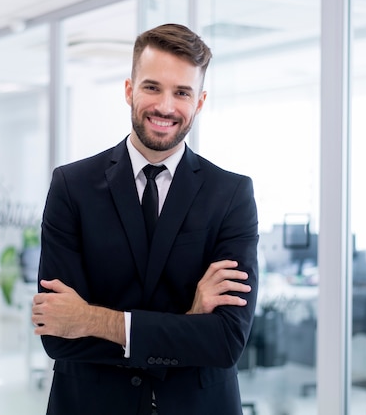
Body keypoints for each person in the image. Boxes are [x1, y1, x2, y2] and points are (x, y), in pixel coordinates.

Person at [31, 23, 258, 415]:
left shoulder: (231, 195)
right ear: (128, 90)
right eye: (152, 87)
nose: (166, 107)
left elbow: (225, 340)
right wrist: (187, 320)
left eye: (182, 92)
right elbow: (59, 334)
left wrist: (89, 318)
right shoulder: (72, 186)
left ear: (200, 102)